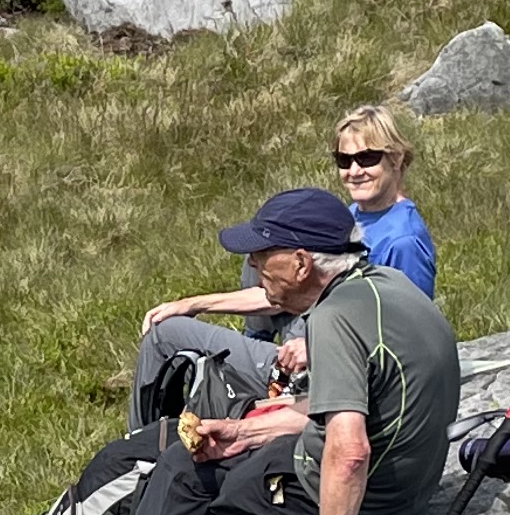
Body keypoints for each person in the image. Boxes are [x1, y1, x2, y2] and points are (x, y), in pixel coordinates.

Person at [31, 188, 462, 515]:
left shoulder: (333, 320)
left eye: (262, 259)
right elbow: (344, 409)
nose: (256, 272)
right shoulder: (379, 286)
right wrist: (243, 431)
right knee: (190, 472)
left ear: (301, 264)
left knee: (206, 510)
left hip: (370, 499)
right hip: (400, 482)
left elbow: (349, 453)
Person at [131, 107, 437, 410]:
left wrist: (316, 349)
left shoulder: (403, 240)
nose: (354, 171)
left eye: (367, 158)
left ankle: (150, 442)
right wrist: (194, 304)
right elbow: (298, 284)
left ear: (396, 159)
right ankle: (256, 354)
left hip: (330, 359)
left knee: (166, 335)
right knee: (265, 253)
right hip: (317, 332)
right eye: (344, 160)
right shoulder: (358, 212)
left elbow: (408, 332)